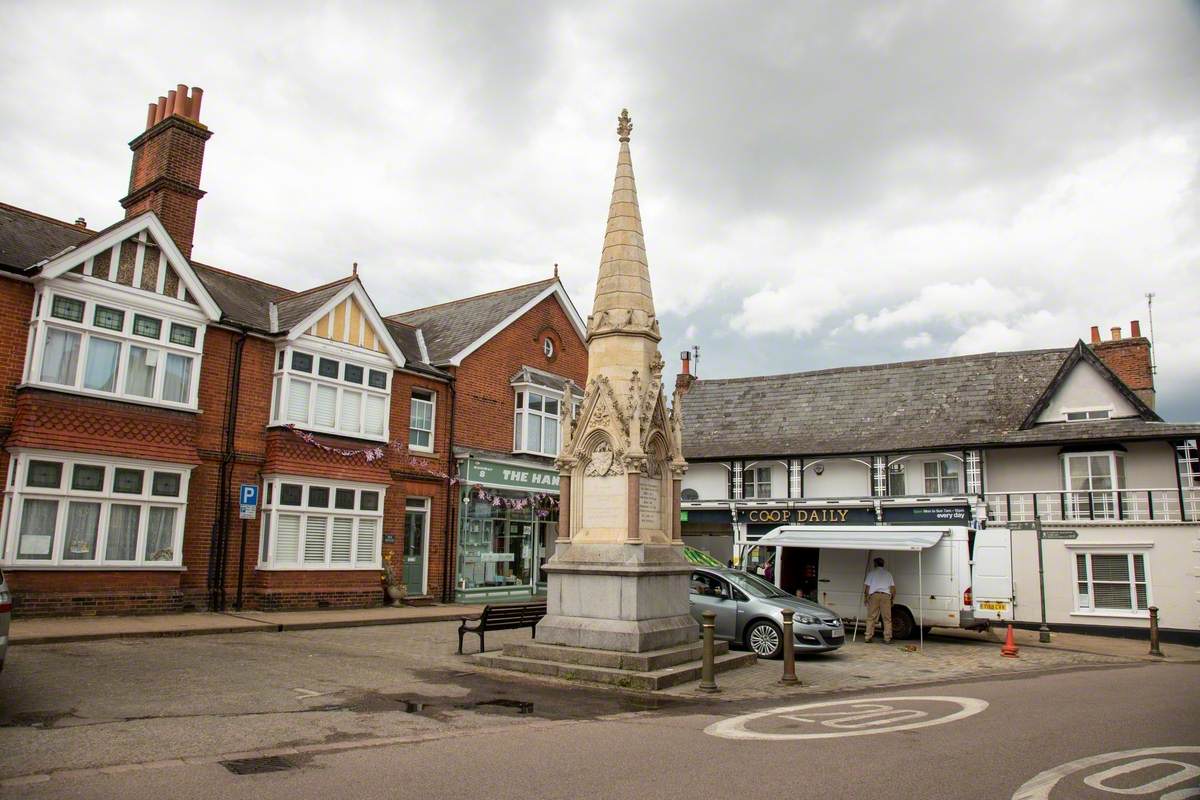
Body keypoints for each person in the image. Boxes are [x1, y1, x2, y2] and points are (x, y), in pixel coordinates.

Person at [863, 557, 896, 643]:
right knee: (887, 618)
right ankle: (887, 638)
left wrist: (866, 597)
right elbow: (893, 588)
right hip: (885, 596)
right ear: (883, 564)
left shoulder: (871, 573)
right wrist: (892, 599)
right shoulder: (888, 574)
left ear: (875, 564)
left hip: (874, 595)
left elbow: (867, 588)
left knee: (871, 617)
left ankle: (868, 636)